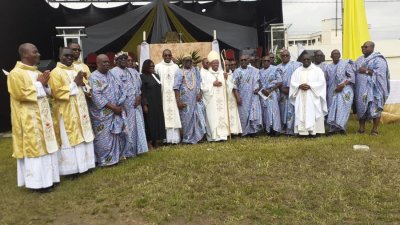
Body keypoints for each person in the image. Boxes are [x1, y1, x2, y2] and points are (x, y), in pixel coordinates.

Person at [7, 43, 59, 190]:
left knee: (47, 145)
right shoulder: (15, 73)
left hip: (43, 116)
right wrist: (39, 84)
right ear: (25, 54)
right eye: (35, 52)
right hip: (28, 119)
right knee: (35, 149)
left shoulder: (35, 72)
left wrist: (45, 85)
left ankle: (50, 179)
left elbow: (47, 93)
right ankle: (37, 183)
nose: (38, 54)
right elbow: (20, 94)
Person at [49, 48, 95, 175]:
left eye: (71, 55)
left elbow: (86, 86)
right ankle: (72, 170)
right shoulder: (55, 73)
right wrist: (75, 83)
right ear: (59, 56)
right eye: (66, 55)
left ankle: (87, 165)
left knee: (84, 135)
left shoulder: (76, 69)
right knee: (69, 138)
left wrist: (85, 86)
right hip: (67, 112)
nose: (69, 57)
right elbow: (56, 93)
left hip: (81, 110)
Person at [88, 54, 125, 166]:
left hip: (116, 110)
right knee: (103, 138)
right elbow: (96, 96)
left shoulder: (112, 75)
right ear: (98, 64)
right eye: (104, 62)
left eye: (108, 62)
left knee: (115, 135)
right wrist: (113, 108)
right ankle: (104, 161)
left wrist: (120, 104)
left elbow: (120, 88)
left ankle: (115, 158)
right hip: (102, 114)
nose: (107, 64)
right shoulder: (94, 77)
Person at [111, 52, 148, 157]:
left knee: (137, 125)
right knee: (126, 127)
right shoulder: (113, 72)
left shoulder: (133, 71)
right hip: (124, 105)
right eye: (121, 58)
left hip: (136, 104)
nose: (124, 60)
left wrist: (139, 96)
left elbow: (139, 86)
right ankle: (126, 152)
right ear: (116, 60)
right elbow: (114, 90)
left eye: (125, 58)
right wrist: (120, 104)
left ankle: (137, 149)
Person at [349, 41, 390, 135]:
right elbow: (354, 71)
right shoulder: (359, 59)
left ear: (372, 48)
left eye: (366, 47)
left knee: (375, 108)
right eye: (362, 46)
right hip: (360, 89)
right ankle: (361, 129)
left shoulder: (379, 59)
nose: (363, 48)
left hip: (374, 90)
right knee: (361, 107)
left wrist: (366, 71)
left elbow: (381, 74)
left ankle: (374, 130)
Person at [289, 54, 327, 136]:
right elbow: (292, 83)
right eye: (304, 59)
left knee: (313, 112)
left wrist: (310, 86)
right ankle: (302, 132)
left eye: (308, 59)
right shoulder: (297, 71)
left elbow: (322, 83)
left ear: (311, 59)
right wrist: (299, 86)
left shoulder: (317, 70)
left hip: (312, 96)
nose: (306, 61)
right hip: (300, 95)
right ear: (301, 61)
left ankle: (314, 132)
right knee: (301, 112)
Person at [173, 54, 206, 144]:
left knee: (197, 117)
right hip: (185, 100)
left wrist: (200, 93)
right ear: (183, 62)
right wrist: (178, 101)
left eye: (189, 60)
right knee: (186, 119)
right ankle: (186, 138)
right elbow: (176, 87)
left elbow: (200, 83)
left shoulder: (195, 70)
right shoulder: (179, 72)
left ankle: (197, 137)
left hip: (195, 99)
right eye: (186, 60)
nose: (188, 62)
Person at [201, 51, 230, 141]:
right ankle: (214, 137)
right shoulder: (205, 74)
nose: (216, 65)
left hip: (221, 99)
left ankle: (223, 136)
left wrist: (226, 79)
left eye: (217, 63)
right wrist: (213, 84)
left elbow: (228, 87)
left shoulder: (222, 73)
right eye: (214, 63)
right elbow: (203, 87)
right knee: (213, 117)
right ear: (210, 64)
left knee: (222, 116)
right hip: (212, 101)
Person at [154, 49, 182, 144]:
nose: (167, 57)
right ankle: (165, 138)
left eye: (169, 55)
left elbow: (179, 82)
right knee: (164, 115)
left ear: (171, 56)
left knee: (174, 115)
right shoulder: (158, 67)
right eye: (165, 55)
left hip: (174, 96)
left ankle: (175, 138)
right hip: (163, 95)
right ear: (162, 56)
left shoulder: (176, 67)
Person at [233, 55, 263, 136]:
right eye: (241, 60)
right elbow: (234, 87)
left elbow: (260, 82)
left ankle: (253, 131)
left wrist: (258, 88)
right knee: (243, 114)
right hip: (242, 96)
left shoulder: (254, 70)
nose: (243, 61)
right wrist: (237, 97)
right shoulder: (236, 71)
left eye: (245, 60)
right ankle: (244, 132)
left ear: (248, 61)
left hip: (253, 96)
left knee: (253, 112)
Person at [326, 50, 354, 134]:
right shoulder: (328, 67)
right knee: (332, 109)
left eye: (337, 54)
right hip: (332, 91)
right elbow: (327, 80)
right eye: (334, 54)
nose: (336, 55)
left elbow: (351, 77)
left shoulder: (345, 64)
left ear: (340, 55)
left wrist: (342, 85)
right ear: (331, 56)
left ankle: (342, 128)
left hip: (344, 90)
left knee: (343, 109)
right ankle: (333, 130)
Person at [140, 59, 166, 148]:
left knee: (157, 122)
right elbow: (142, 92)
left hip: (157, 103)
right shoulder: (142, 76)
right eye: (150, 66)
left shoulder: (156, 76)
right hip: (149, 104)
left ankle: (156, 140)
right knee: (150, 123)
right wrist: (144, 104)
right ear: (145, 67)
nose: (152, 67)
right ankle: (149, 141)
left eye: (153, 66)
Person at [277, 50, 302, 135]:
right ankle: (283, 128)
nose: (285, 57)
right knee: (282, 110)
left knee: (292, 110)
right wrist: (281, 89)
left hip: (293, 92)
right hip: (281, 92)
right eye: (283, 56)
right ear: (281, 57)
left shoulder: (296, 65)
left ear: (290, 56)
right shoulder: (278, 67)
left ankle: (291, 129)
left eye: (286, 55)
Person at [259, 55, 282, 134]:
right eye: (264, 61)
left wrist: (271, 90)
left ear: (270, 61)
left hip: (272, 92)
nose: (266, 62)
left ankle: (275, 129)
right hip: (263, 93)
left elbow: (280, 82)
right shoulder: (260, 71)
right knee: (265, 111)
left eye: (267, 61)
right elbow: (259, 83)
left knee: (273, 111)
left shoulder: (275, 69)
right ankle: (267, 129)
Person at [225, 60, 243, 135]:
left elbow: (235, 85)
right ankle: (227, 131)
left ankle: (234, 130)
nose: (228, 66)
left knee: (233, 114)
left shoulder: (233, 74)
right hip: (225, 97)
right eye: (226, 65)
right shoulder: (220, 74)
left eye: (229, 65)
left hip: (232, 97)